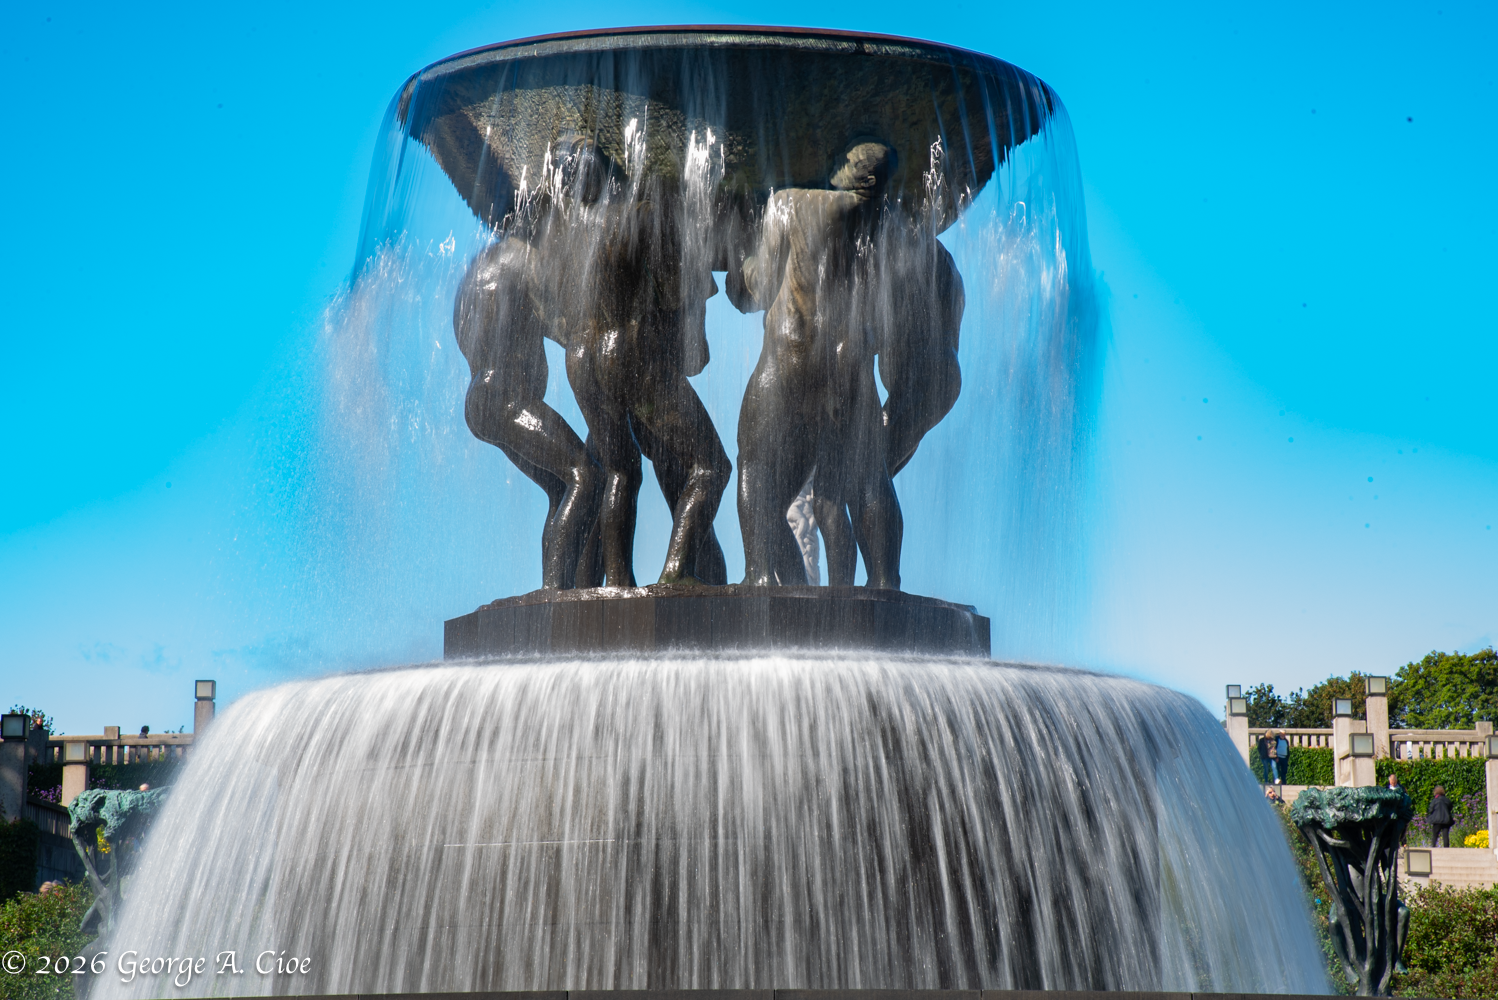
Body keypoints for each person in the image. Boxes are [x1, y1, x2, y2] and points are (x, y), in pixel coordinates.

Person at [732, 140, 902, 588]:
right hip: (849, 359)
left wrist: (738, 263)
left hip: (792, 355)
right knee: (870, 475)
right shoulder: (888, 222)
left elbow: (760, 284)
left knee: (754, 466)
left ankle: (758, 579)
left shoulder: (791, 202)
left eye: (844, 161)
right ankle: (884, 581)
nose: (835, 164)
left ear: (858, 174)